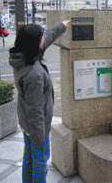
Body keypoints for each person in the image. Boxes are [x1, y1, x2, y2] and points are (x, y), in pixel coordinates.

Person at [9, 20, 71, 182]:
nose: (44, 37)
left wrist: (61, 26)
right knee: (40, 161)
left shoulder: (22, 57)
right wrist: (39, 136)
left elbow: (48, 37)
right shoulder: (34, 73)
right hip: (37, 127)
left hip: (26, 123)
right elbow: (35, 110)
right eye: (41, 36)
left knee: (29, 157)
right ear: (35, 43)